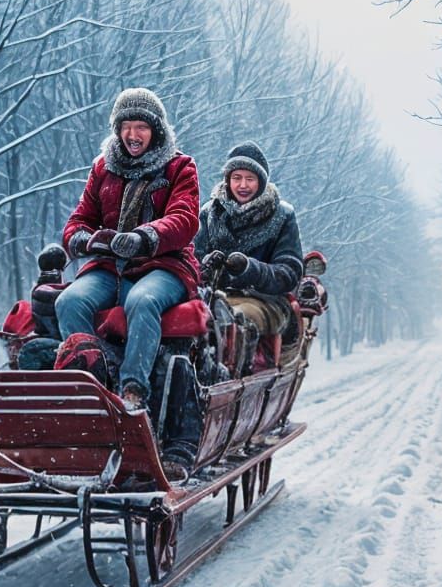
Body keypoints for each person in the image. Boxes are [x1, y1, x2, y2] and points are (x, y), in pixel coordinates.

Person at [57, 87, 201, 412]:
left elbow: (184, 218)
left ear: (156, 130)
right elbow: (80, 219)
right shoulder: (102, 168)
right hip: (110, 267)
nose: (132, 135)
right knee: (69, 301)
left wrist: (145, 237)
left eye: (141, 127)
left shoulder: (180, 167)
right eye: (126, 126)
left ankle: (133, 391)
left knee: (142, 300)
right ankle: (91, 383)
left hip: (165, 265)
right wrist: (81, 239)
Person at [193, 141, 303, 354]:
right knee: (188, 320)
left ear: (261, 181)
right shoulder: (209, 214)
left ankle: (234, 370)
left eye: (250, 179)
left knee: (236, 320)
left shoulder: (282, 216)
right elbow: (192, 260)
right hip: (212, 298)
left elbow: (290, 273)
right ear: (228, 180)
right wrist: (207, 267)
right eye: (237, 178)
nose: (243, 185)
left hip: (265, 300)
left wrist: (249, 269)